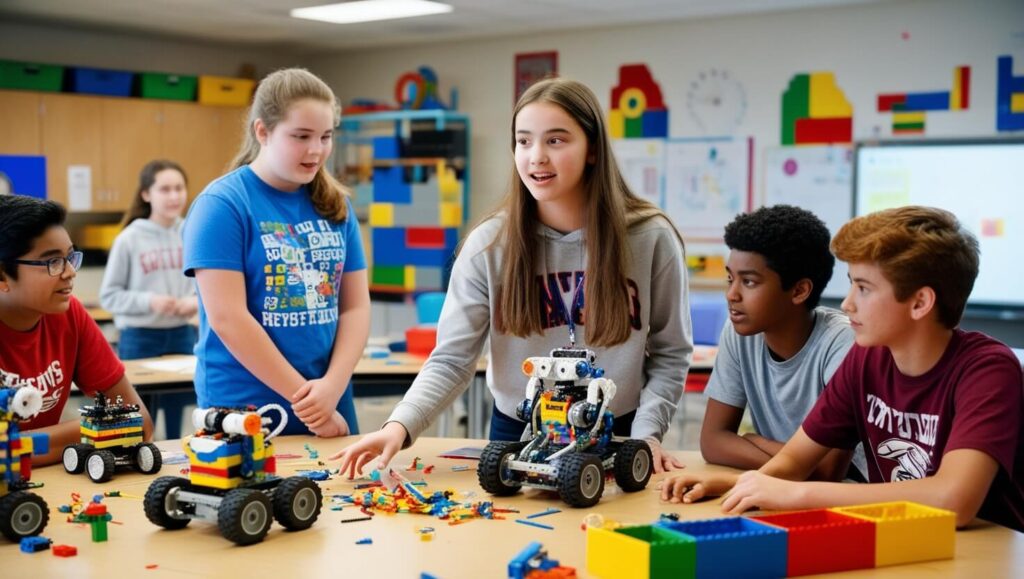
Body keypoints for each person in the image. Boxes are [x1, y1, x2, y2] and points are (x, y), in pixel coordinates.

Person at [333, 77, 692, 476]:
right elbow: (452, 359)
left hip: (620, 433)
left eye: (556, 140)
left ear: (592, 149)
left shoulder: (650, 238)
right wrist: (399, 426)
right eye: (524, 141)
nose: (536, 156)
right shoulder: (489, 244)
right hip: (517, 432)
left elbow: (671, 353)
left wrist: (647, 436)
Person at [661, 206, 1024, 533]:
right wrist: (739, 485)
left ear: (920, 302)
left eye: (863, 289)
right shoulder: (866, 359)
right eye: (851, 285)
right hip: (909, 536)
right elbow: (792, 462)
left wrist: (796, 495)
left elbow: (954, 501)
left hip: (984, 551)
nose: (848, 304)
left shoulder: (988, 370)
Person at [183, 68, 369, 437]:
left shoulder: (336, 205)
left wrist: (331, 387)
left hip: (329, 397)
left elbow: (356, 306)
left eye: (326, 136)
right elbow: (228, 319)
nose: (316, 150)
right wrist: (307, 401)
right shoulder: (222, 204)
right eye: (301, 136)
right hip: (247, 405)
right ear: (262, 131)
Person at [696, 205, 861, 479]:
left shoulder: (842, 344)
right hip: (784, 486)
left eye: (748, 282)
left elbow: (828, 470)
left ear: (799, 290)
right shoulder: (740, 333)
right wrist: (792, 463)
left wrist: (756, 441)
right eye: (730, 278)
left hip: (847, 493)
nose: (731, 294)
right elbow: (712, 442)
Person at [0, 195, 154, 465]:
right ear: (3, 276)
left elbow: (137, 424)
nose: (70, 272)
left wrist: (17, 447)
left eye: (70, 257)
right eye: (52, 262)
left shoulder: (69, 314)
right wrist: (94, 430)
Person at [99, 160, 197, 438]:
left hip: (182, 334)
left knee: (180, 412)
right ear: (146, 194)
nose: (174, 196)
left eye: (179, 188)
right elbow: (109, 295)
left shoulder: (193, 230)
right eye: (164, 189)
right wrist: (149, 301)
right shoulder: (129, 239)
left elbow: (207, 284)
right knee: (140, 418)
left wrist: (195, 303)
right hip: (140, 338)